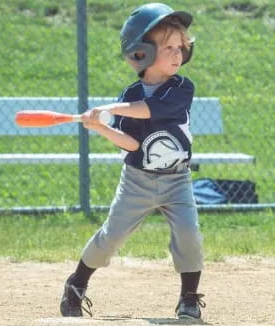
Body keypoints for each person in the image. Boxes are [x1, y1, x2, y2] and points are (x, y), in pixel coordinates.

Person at [59, 3, 205, 320]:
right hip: (137, 181)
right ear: (142, 52)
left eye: (180, 47)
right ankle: (76, 284)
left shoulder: (181, 88)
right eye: (168, 47)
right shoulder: (131, 95)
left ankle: (189, 297)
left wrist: (110, 108)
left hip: (177, 180)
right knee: (110, 237)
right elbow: (131, 144)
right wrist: (101, 127)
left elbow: (149, 110)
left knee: (189, 235)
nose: (178, 53)